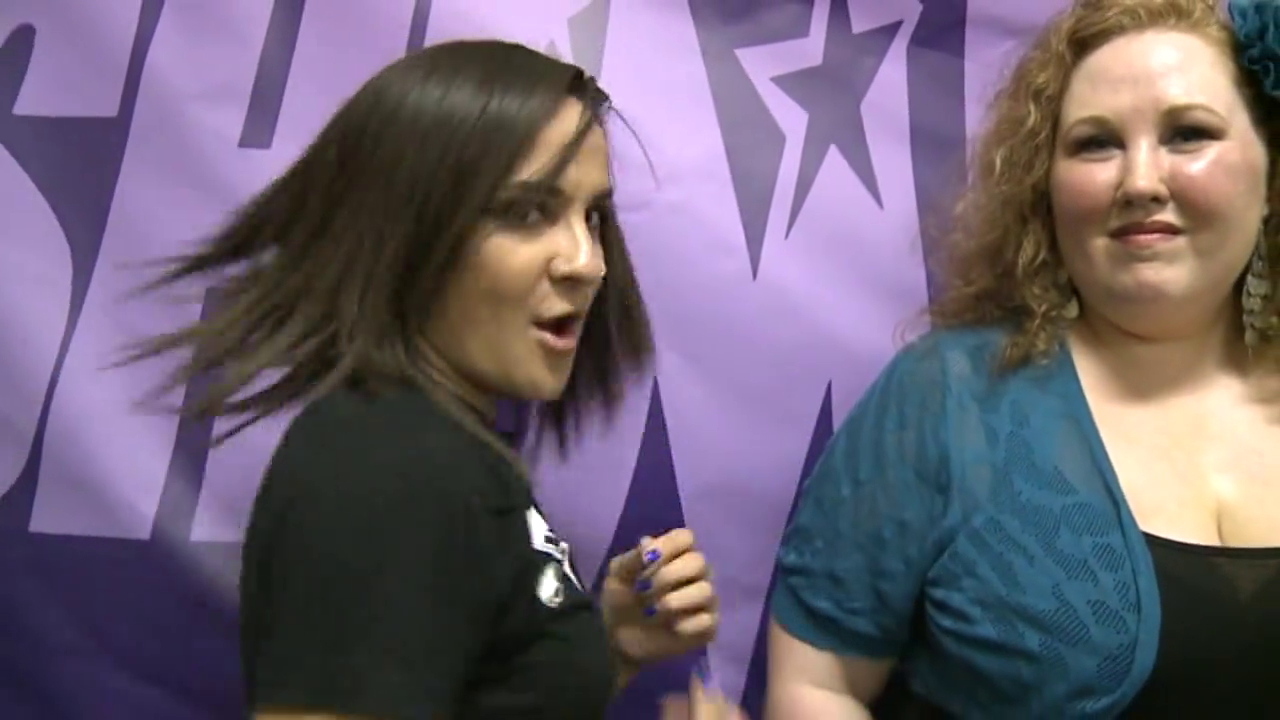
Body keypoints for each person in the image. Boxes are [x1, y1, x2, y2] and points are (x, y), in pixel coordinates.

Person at [125, 39, 735, 719]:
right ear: (411, 232)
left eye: (591, 216)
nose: (588, 262)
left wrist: (603, 650)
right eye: (529, 212)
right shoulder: (389, 469)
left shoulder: (434, 449)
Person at [764, 0, 1280, 716]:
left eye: (1188, 134)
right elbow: (818, 684)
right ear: (1046, 187)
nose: (1139, 181)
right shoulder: (945, 399)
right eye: (1096, 144)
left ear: (1271, 176)